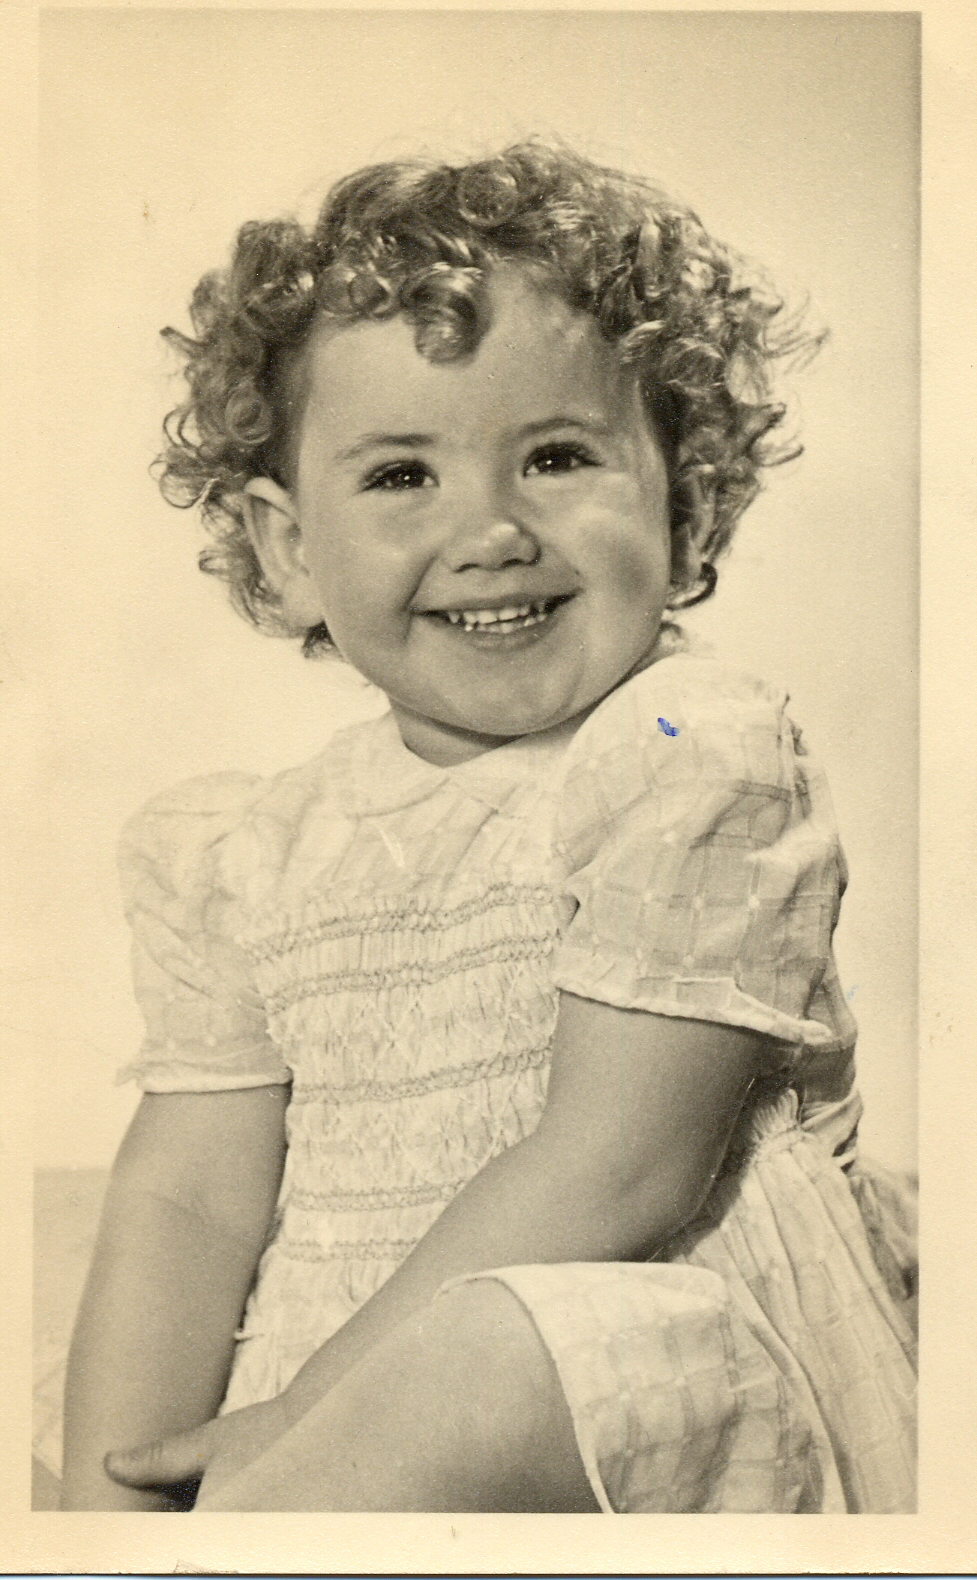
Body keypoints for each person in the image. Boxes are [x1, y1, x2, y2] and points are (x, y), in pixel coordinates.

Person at [59, 142, 916, 1514]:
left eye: (557, 458)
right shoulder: (240, 849)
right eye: (403, 475)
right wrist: (112, 1500)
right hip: (337, 1382)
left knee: (483, 1355)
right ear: (288, 550)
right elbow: (191, 1200)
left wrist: (305, 1419)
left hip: (628, 1370)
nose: (494, 530)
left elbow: (621, 1169)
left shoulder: (689, 753)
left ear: (689, 508)